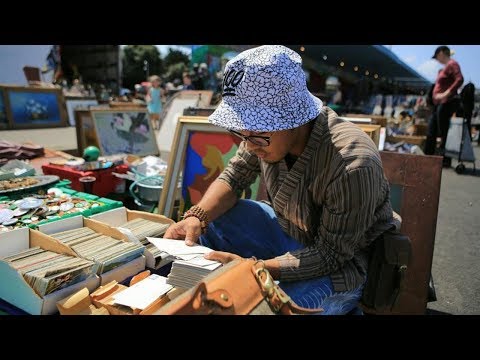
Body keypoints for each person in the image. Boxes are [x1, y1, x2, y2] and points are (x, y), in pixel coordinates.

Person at [164, 45, 395, 315]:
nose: (249, 146)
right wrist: (197, 216)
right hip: (290, 231)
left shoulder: (352, 163)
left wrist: (257, 269)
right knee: (217, 219)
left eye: (257, 133)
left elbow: (331, 254)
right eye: (242, 132)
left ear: (295, 117)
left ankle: (345, 306)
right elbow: (234, 177)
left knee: (271, 308)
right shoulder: (259, 135)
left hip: (342, 264)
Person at [424, 46, 464, 167]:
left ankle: (444, 159)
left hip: (446, 103)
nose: (436, 59)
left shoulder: (452, 63)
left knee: (443, 132)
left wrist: (446, 93)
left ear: (441, 53)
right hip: (438, 105)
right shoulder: (444, 68)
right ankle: (428, 158)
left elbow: (460, 79)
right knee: (431, 131)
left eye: (437, 56)